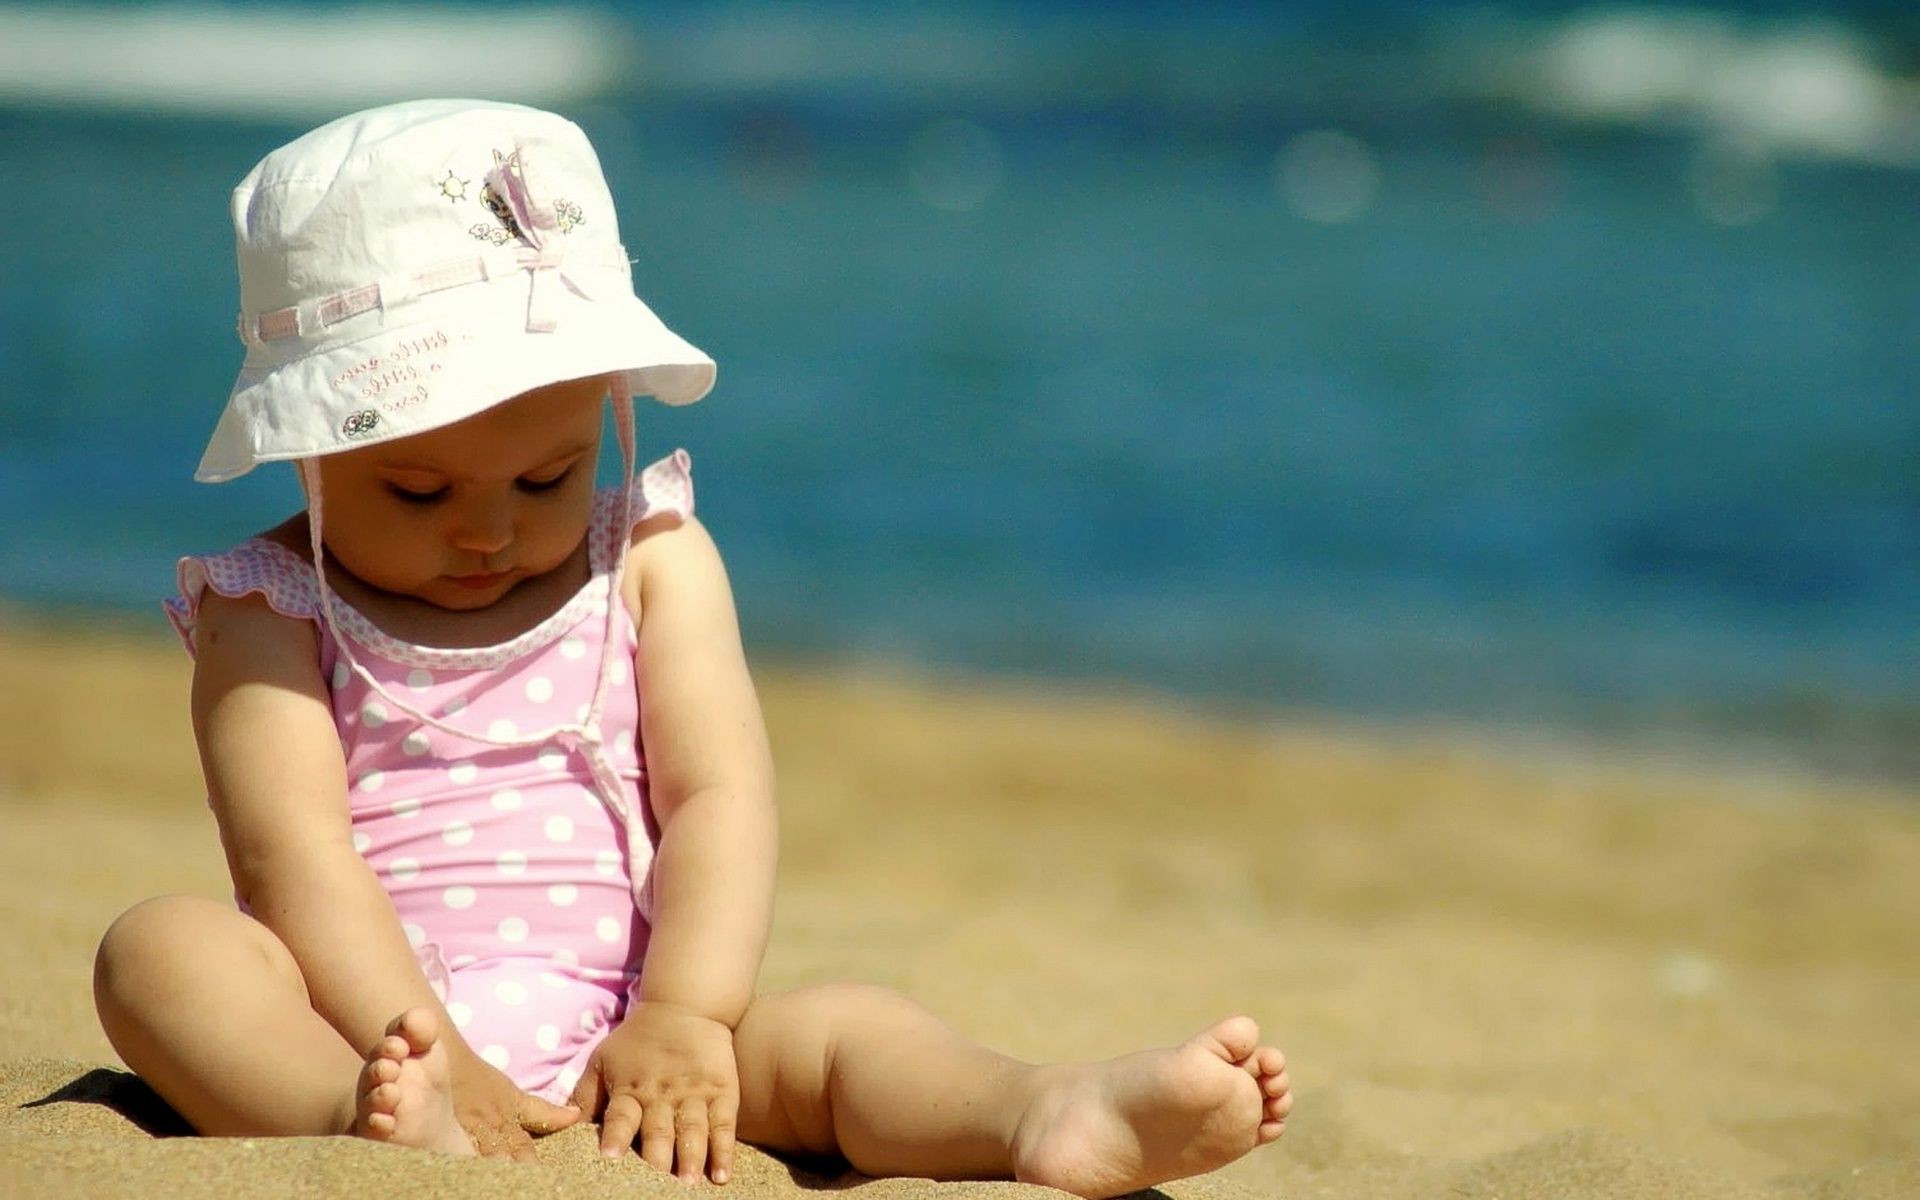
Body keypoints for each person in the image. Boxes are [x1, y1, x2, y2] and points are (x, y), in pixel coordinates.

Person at [91, 99, 1291, 1198]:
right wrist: (430, 1050)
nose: (491, 527)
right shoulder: (269, 604)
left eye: (550, 474)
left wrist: (687, 1011)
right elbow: (292, 862)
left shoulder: (654, 562)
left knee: (846, 1031)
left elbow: (719, 795)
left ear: (606, 403)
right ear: (309, 449)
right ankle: (348, 1123)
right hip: (368, 1029)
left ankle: (1039, 1111)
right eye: (414, 491)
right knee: (161, 953)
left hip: (634, 1032)